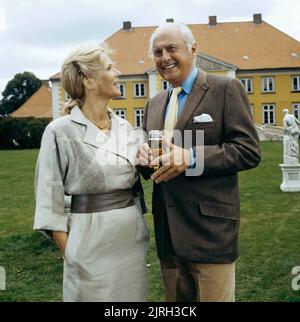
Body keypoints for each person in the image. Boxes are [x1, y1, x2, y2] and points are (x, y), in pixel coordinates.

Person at [137, 22, 261, 302]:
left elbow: (248, 150)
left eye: (171, 48)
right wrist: (143, 158)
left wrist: (191, 157)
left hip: (210, 235)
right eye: (157, 52)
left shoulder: (226, 89)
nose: (164, 57)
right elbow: (154, 160)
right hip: (168, 236)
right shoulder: (154, 103)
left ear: (193, 50)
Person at [34, 43, 149, 302]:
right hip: (88, 244)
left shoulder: (124, 126)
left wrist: (147, 160)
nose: (118, 72)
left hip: (131, 239)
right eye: (110, 67)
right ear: (89, 81)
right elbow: (48, 201)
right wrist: (71, 253)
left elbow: (133, 173)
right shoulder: (59, 131)